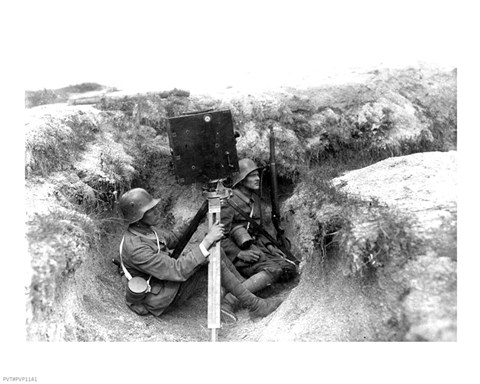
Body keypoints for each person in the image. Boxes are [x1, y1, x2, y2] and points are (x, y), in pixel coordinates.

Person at [117, 187, 282, 321]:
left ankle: (245, 292)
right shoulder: (136, 247)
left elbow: (173, 238)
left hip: (165, 281)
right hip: (159, 297)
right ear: (138, 218)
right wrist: (207, 240)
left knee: (214, 252)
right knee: (210, 257)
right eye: (150, 210)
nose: (156, 211)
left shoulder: (146, 231)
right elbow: (176, 270)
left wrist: (198, 217)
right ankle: (255, 305)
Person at [220, 158, 297, 306]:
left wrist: (270, 247)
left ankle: (252, 285)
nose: (257, 179)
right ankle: (230, 300)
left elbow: (257, 229)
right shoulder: (229, 202)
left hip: (255, 246)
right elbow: (217, 235)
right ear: (242, 180)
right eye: (252, 175)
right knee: (273, 270)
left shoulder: (254, 199)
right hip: (237, 254)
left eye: (257, 175)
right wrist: (239, 254)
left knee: (289, 267)